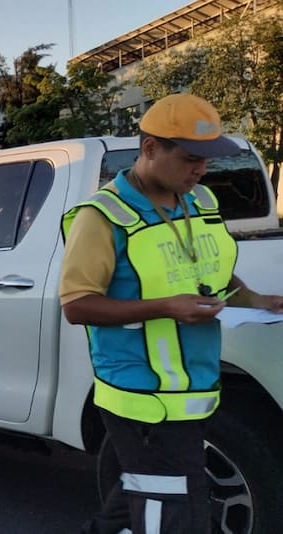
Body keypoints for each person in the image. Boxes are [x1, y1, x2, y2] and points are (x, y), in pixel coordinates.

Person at [60, 93, 283, 533]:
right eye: (189, 158)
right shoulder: (102, 217)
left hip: (193, 386)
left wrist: (253, 298)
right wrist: (166, 308)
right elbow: (77, 305)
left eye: (207, 159)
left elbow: (205, 269)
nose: (201, 169)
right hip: (143, 398)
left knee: (141, 496)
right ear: (149, 149)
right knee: (177, 511)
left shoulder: (199, 200)